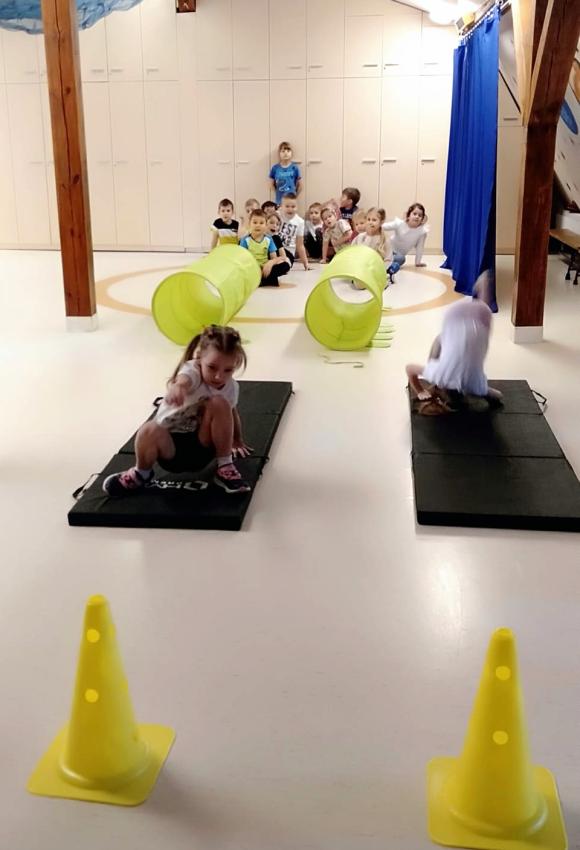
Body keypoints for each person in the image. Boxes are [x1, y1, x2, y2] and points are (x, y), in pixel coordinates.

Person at [103, 325, 252, 497]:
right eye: (212, 367)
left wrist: (237, 440)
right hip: (170, 449)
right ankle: (141, 473)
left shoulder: (231, 387)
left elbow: (230, 413)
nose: (219, 376)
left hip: (203, 447)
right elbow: (184, 379)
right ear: (199, 359)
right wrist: (178, 387)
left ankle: (225, 466)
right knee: (148, 429)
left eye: (228, 370)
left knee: (220, 403)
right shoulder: (192, 371)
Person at [406, 289, 503, 410]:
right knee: (481, 310)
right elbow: (410, 368)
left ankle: (482, 288)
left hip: (468, 328)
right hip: (455, 323)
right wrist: (420, 391)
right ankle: (481, 290)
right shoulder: (440, 377)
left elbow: (498, 396)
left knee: (483, 310)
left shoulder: (475, 387)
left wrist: (485, 393)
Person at [383, 203, 429, 284]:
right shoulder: (400, 224)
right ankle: (383, 261)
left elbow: (420, 247)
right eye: (414, 214)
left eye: (420, 215)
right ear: (408, 215)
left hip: (398, 255)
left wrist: (418, 262)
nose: (417, 217)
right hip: (387, 249)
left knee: (401, 259)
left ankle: (386, 266)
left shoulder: (421, 232)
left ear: (422, 218)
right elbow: (384, 227)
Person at [239, 209, 282, 287]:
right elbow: (242, 259)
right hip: (251, 268)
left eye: (261, 223)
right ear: (249, 224)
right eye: (255, 222)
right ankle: (260, 280)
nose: (258, 225)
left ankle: (261, 279)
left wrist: (270, 263)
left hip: (265, 268)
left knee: (284, 265)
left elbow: (274, 258)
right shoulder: (245, 240)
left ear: (266, 225)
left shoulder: (269, 239)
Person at [278, 193, 310, 271]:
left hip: (288, 253)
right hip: (275, 250)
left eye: (293, 206)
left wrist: (306, 263)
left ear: (297, 207)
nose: (290, 209)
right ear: (281, 207)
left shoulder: (300, 222)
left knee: (283, 266)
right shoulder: (277, 216)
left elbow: (300, 245)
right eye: (287, 206)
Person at [269, 142, 302, 206]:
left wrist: (295, 195)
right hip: (280, 200)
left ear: (291, 153)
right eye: (283, 151)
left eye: (288, 151)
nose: (286, 153)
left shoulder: (295, 167)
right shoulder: (275, 168)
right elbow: (271, 184)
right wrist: (277, 193)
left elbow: (300, 186)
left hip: (291, 200)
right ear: (279, 153)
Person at [266, 212, 292, 282]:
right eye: (271, 223)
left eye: (277, 224)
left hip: (276, 259)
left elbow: (283, 256)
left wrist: (273, 262)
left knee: (286, 263)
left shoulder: (276, 238)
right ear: (265, 223)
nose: (274, 226)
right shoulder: (262, 237)